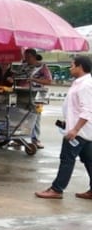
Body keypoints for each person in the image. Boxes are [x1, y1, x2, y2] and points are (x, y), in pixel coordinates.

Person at [35, 56, 92, 200]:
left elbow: (87, 110)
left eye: (72, 65)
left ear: (80, 67)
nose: (70, 68)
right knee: (89, 160)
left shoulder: (85, 85)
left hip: (78, 131)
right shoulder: (79, 83)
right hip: (81, 130)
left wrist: (75, 129)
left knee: (67, 159)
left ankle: (57, 189)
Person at [21, 48, 52, 148]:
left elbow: (48, 81)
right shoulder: (24, 66)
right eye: (25, 57)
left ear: (34, 56)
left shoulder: (42, 67)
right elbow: (19, 77)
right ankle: (20, 138)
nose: (26, 59)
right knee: (21, 116)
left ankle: (35, 139)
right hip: (23, 94)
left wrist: (33, 79)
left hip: (38, 95)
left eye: (28, 57)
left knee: (36, 117)